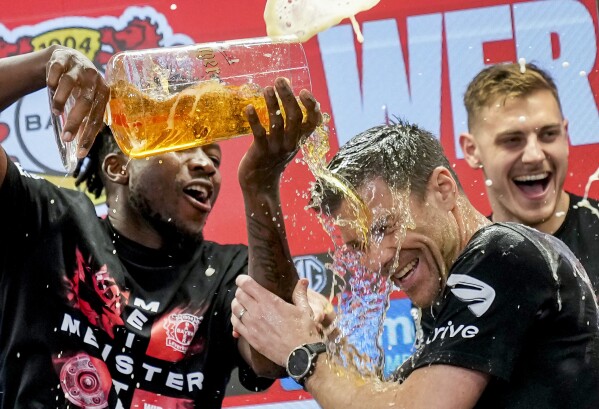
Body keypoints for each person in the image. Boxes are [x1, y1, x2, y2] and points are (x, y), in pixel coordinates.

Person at [0, 45, 322, 408]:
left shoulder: (227, 273)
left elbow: (273, 356)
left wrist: (262, 185)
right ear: (118, 167)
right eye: (182, 145)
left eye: (214, 157)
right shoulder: (52, 223)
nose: (206, 165)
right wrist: (45, 63)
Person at [230, 122, 599, 409]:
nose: (377, 260)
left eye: (383, 228)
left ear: (443, 189)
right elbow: (391, 398)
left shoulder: (501, 255)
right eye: (359, 245)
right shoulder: (450, 284)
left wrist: (304, 355)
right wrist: (328, 337)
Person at [459, 62, 599, 294]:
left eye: (548, 134)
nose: (534, 155)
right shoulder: (461, 269)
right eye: (512, 140)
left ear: (565, 136)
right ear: (472, 150)